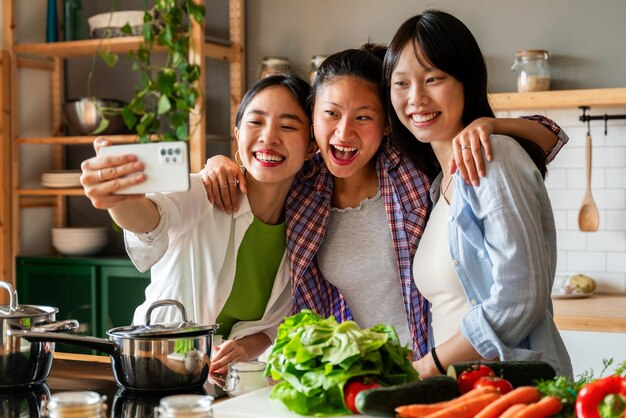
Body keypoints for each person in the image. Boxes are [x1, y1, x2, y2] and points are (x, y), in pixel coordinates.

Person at [201, 44, 567, 363]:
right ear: (313, 118)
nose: (344, 133)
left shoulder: (413, 163)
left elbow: (550, 137)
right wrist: (220, 163)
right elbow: (260, 166)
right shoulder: (304, 185)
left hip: (436, 361)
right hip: (364, 372)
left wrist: (490, 125)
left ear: (387, 124)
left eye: (363, 117)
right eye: (331, 114)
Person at [79, 74, 316, 374]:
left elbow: (268, 328)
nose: (269, 137)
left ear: (311, 147)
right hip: (156, 373)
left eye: (288, 126)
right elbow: (150, 219)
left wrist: (241, 350)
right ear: (237, 134)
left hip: (228, 389)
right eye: (256, 122)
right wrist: (119, 199)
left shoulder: (304, 228)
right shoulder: (202, 192)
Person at [384, 10, 572, 377]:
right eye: (401, 83)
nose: (416, 98)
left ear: (467, 81)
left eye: (433, 78)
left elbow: (521, 298)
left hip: (515, 396)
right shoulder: (439, 185)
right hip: (461, 394)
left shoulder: (495, 156)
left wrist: (430, 365)